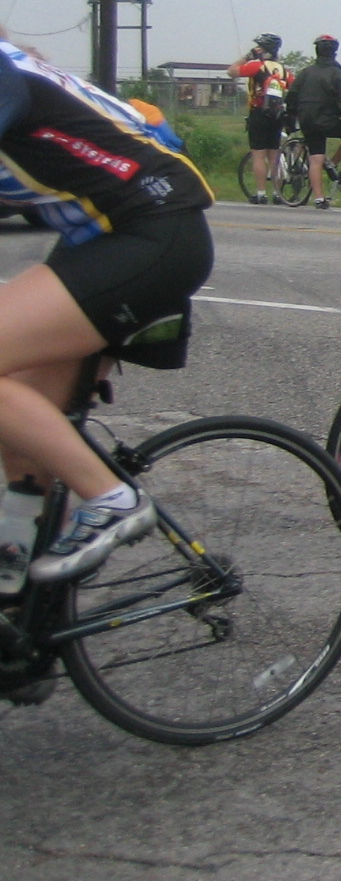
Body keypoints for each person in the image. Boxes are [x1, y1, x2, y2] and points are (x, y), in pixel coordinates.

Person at [0, 32, 214, 595]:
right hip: (109, 239)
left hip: (151, 237)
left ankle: (110, 499)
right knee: (22, 438)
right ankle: (20, 612)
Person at [286, 34, 341, 210]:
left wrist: (292, 115)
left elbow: (292, 95)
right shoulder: (336, 72)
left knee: (315, 158)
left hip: (307, 121)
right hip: (328, 121)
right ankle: (332, 164)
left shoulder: (306, 72)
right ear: (335, 52)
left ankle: (319, 199)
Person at [229, 33, 292, 204]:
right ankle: (278, 193)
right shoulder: (284, 70)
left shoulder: (256, 66)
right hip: (277, 115)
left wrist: (248, 56)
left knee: (258, 155)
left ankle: (261, 193)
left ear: (263, 50)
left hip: (258, 112)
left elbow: (231, 71)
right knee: (274, 156)